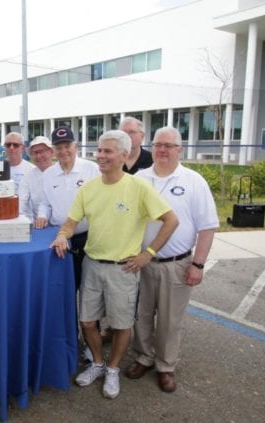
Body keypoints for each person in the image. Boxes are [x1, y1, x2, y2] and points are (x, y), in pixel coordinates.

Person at [51, 129, 178, 400]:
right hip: (92, 264)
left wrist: (149, 253)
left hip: (123, 268)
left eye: (108, 151)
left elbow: (171, 220)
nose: (101, 156)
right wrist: (63, 235)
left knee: (121, 325)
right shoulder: (89, 188)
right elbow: (71, 223)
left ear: (124, 154)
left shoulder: (138, 187)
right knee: (87, 322)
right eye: (99, 151)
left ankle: (112, 369)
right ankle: (97, 362)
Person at [127, 126, 219, 392]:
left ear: (180, 150)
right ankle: (144, 357)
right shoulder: (139, 179)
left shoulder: (193, 181)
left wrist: (198, 264)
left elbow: (208, 226)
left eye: (169, 145)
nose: (162, 150)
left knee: (169, 320)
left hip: (176, 264)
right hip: (141, 263)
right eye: (158, 145)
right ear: (151, 147)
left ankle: (166, 366)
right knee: (141, 316)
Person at [36, 126, 99, 290]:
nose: (63, 151)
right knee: (63, 285)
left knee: (87, 286)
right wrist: (42, 215)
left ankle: (86, 316)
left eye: (67, 146)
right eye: (59, 147)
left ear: (75, 147)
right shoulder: (49, 173)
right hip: (59, 236)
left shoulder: (91, 169)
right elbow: (45, 202)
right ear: (54, 151)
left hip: (85, 237)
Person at [18, 136, 54, 222]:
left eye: (42, 151)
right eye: (34, 153)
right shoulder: (27, 177)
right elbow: (21, 202)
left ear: (51, 152)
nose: (39, 156)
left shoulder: (61, 171)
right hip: (39, 226)